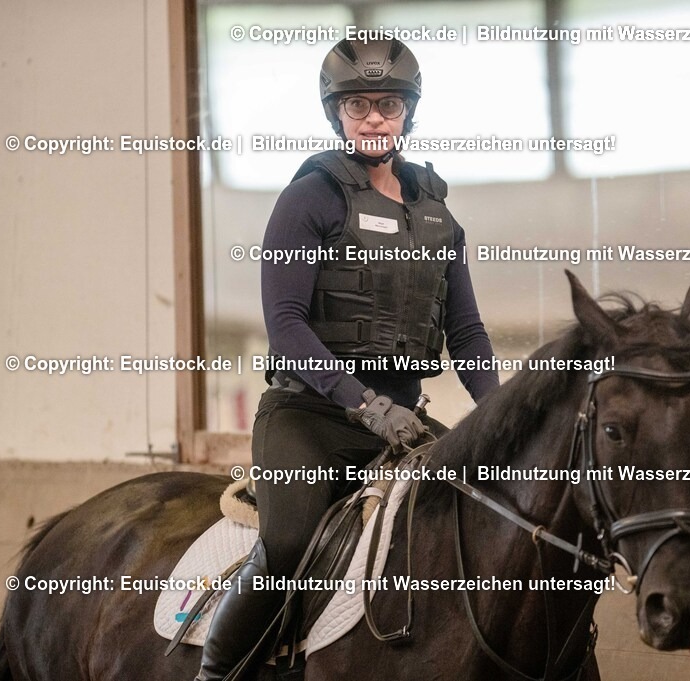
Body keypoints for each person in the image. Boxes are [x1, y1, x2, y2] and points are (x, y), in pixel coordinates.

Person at [195, 38, 500, 681]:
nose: (372, 119)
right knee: (286, 546)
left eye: (387, 105)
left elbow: (466, 331)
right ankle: (217, 673)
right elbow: (286, 326)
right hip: (310, 417)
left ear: (408, 113)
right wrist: (365, 403)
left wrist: (501, 414)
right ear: (335, 114)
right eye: (357, 105)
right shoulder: (309, 199)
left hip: (403, 427)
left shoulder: (438, 218)